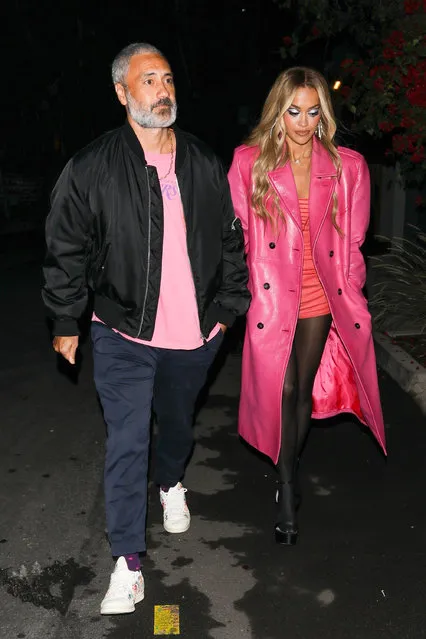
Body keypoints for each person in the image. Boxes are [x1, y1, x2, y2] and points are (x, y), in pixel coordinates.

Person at [42, 42, 250, 615]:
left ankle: (172, 480)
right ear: (122, 93)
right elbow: (66, 246)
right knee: (128, 439)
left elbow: (233, 241)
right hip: (123, 331)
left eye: (167, 78)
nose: (162, 90)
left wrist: (226, 313)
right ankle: (127, 564)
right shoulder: (92, 166)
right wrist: (67, 318)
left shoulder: (204, 163)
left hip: (194, 336)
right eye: (148, 80)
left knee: (176, 425)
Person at [228, 67, 386, 546]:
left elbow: (354, 242)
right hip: (272, 294)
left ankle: (288, 478)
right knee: (283, 386)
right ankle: (288, 483)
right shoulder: (249, 162)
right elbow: (235, 237)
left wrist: (353, 291)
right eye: (293, 110)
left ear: (323, 114)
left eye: (312, 111)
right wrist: (238, 292)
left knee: (299, 392)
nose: (302, 121)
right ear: (279, 111)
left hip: (321, 292)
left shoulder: (347, 166)